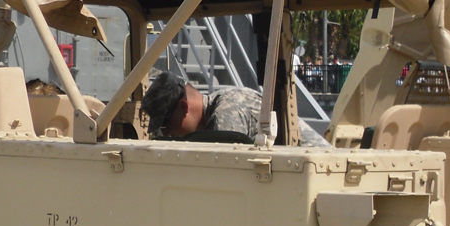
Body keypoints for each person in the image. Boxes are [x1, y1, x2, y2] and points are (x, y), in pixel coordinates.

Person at [139, 70, 328, 146]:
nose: (169, 133)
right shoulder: (220, 104)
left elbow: (223, 175)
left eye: (166, 124)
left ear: (183, 107)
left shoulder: (226, 113)